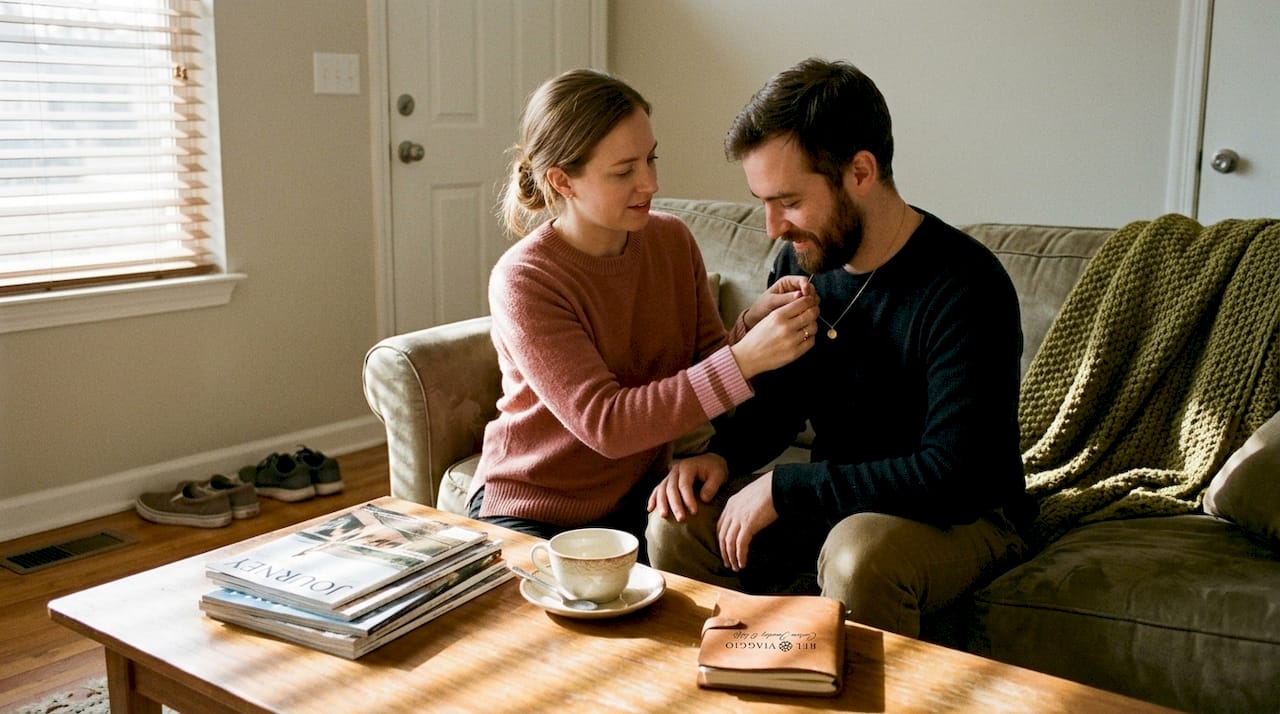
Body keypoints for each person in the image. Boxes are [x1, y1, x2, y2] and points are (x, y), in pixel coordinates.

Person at [646, 58, 1033, 637]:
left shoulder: (965, 285)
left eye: (790, 201)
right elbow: (780, 406)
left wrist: (787, 486)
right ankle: (732, 682)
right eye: (763, 202)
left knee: (859, 552)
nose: (774, 226)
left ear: (860, 172)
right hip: (843, 495)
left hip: (965, 513)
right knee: (677, 522)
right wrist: (721, 455)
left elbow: (952, 475)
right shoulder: (804, 259)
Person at [468, 69, 820, 547]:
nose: (650, 183)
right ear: (562, 180)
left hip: (637, 499)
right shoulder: (526, 279)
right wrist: (746, 357)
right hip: (532, 504)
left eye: (650, 159)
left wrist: (749, 327)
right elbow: (607, 424)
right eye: (624, 171)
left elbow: (704, 371)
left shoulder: (671, 240)